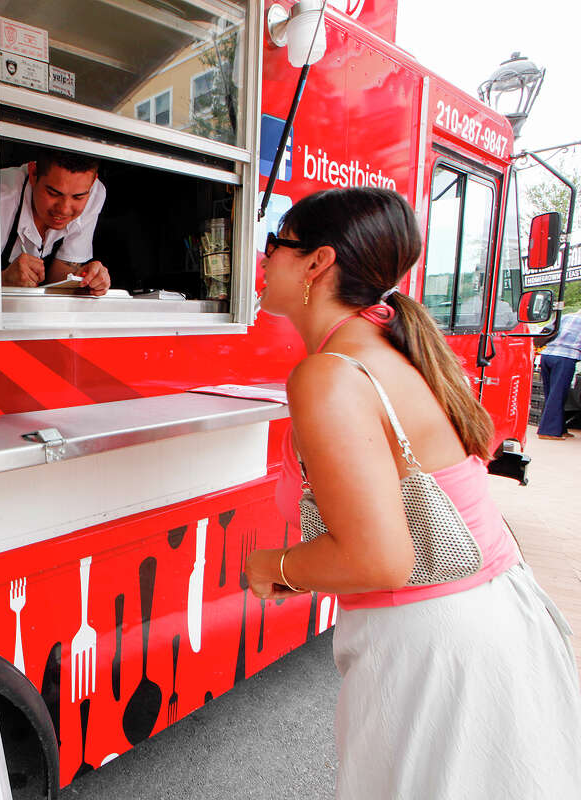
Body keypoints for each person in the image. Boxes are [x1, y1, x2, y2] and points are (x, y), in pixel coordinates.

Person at [245, 187, 581, 798]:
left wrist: (273, 566)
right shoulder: (386, 349)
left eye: (275, 243)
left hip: (438, 650)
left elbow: (378, 560)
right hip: (489, 620)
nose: (263, 259)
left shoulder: (328, 375)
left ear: (317, 264)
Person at [0, 151, 112, 295]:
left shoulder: (94, 195)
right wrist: (2, 280)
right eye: (53, 193)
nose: (64, 210)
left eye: (78, 197)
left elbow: (59, 280)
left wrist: (83, 280)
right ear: (33, 174)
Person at [535, 309, 581, 440]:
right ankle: (548, 431)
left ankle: (559, 428)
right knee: (558, 394)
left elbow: (546, 331)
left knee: (551, 393)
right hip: (565, 357)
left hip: (547, 355)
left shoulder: (565, 317)